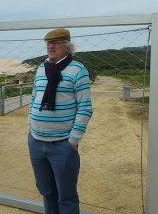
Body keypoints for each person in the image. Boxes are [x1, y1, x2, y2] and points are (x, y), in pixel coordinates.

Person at [27, 28, 93, 214]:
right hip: (36, 142)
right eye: (48, 43)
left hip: (63, 145)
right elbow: (33, 99)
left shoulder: (78, 70)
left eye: (56, 42)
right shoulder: (41, 68)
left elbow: (85, 107)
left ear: (68, 46)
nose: (51, 46)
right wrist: (30, 127)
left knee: (67, 197)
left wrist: (73, 140)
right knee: (47, 192)